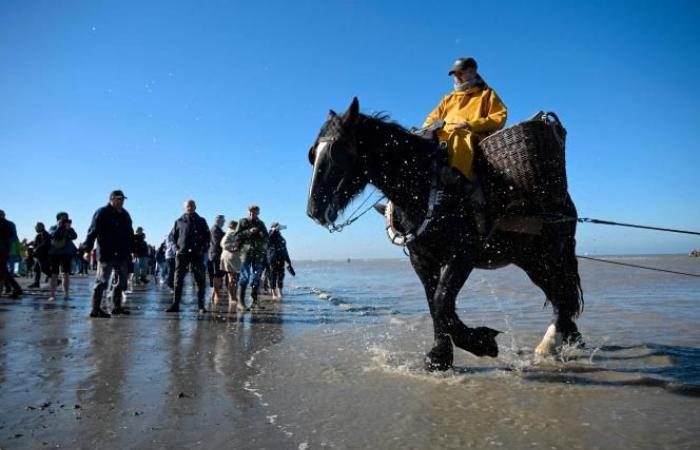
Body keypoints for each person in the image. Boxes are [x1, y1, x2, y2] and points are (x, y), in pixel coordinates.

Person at [423, 57, 507, 185]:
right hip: (443, 138)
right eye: (454, 74)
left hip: (471, 138)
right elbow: (431, 118)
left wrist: (470, 125)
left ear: (472, 72)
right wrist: (427, 129)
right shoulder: (448, 98)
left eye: (460, 72)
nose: (456, 76)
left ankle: (456, 176)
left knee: (460, 135)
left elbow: (499, 117)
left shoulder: (486, 93)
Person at [81, 190, 135, 318]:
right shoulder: (102, 212)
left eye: (122, 199)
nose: (121, 201)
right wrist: (87, 249)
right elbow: (92, 231)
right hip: (106, 253)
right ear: (111, 199)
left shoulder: (125, 215)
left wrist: (132, 250)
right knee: (102, 281)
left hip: (122, 254)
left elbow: (130, 234)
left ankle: (117, 307)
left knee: (122, 281)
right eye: (118, 199)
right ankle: (95, 309)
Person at [165, 199, 210, 313]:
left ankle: (201, 305)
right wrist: (176, 249)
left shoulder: (201, 221)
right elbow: (172, 237)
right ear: (184, 208)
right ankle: (175, 304)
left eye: (191, 206)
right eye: (187, 206)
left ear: (195, 207)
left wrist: (203, 249)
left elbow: (207, 237)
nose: (189, 208)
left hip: (197, 254)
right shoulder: (179, 221)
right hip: (182, 254)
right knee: (178, 280)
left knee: (200, 280)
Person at [233, 205, 269, 310]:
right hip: (245, 253)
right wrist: (249, 231)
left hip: (258, 253)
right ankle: (241, 302)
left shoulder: (261, 224)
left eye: (254, 213)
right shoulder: (242, 221)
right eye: (250, 213)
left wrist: (262, 235)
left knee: (256, 276)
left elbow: (267, 238)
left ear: (258, 213)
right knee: (245, 276)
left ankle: (254, 301)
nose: (251, 215)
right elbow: (236, 236)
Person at [47, 212, 77, 302]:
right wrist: (59, 227)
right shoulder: (53, 227)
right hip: (54, 253)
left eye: (66, 218)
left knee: (66, 274)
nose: (64, 220)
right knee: (54, 274)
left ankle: (66, 294)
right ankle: (52, 295)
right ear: (58, 219)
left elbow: (75, 236)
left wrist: (68, 229)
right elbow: (52, 235)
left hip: (66, 253)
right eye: (62, 219)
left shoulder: (69, 228)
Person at [220, 220, 244, 311]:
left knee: (234, 278)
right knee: (232, 278)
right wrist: (235, 247)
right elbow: (223, 244)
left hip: (233, 258)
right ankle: (232, 297)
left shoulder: (230, 233)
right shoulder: (230, 233)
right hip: (231, 258)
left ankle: (233, 296)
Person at [267, 222, 294, 300]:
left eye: (279, 227)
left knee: (281, 276)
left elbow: (285, 250)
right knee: (273, 276)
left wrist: (288, 261)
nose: (278, 228)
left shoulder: (281, 238)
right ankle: (273, 292)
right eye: (276, 227)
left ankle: (280, 291)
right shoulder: (270, 235)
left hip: (281, 258)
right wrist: (273, 230)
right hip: (272, 258)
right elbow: (268, 240)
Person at [0, 210, 23, 298]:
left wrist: (6, 243)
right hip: (5, 249)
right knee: (3, 270)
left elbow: (13, 237)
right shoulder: (10, 224)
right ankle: (13, 288)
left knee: (2, 270)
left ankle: (14, 288)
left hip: (4, 249)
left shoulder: (9, 224)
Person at [208, 215, 226, 307]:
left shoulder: (216, 229)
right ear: (218, 221)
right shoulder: (215, 229)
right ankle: (216, 294)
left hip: (215, 255)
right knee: (217, 275)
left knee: (218, 275)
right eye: (223, 221)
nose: (224, 222)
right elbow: (216, 243)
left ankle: (215, 294)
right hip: (216, 255)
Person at [29, 222, 51, 288]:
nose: (35, 228)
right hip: (40, 254)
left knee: (44, 269)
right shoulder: (41, 234)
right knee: (36, 269)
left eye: (36, 227)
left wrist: (36, 249)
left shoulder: (44, 234)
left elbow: (45, 243)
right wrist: (28, 244)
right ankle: (36, 283)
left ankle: (56, 280)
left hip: (43, 254)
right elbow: (35, 242)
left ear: (41, 227)